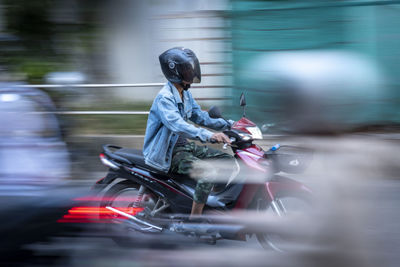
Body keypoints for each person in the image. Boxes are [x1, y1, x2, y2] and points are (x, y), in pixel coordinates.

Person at [143, 47, 233, 217]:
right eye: (186, 69)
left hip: (184, 147)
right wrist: (210, 135)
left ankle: (207, 199)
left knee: (227, 159)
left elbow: (200, 117)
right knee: (208, 173)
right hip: (169, 153)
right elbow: (177, 125)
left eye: (191, 68)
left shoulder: (184, 93)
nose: (191, 72)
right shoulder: (165, 98)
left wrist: (229, 125)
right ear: (174, 72)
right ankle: (195, 219)